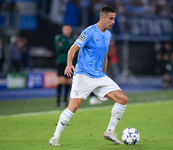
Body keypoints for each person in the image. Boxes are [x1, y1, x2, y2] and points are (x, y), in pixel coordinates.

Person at [49, 7, 127, 146]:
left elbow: (105, 56)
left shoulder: (108, 35)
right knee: (73, 106)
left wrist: (104, 73)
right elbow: (73, 48)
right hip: (83, 75)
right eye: (111, 18)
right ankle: (55, 137)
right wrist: (69, 64)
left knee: (122, 99)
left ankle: (109, 131)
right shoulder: (89, 31)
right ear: (102, 18)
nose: (113, 21)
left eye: (114, 18)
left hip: (99, 76)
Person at [54, 24, 75, 107]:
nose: (67, 31)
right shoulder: (58, 37)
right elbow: (59, 48)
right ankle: (58, 100)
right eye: (65, 29)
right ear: (62, 30)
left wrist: (65, 47)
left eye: (68, 29)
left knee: (68, 81)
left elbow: (73, 50)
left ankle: (65, 100)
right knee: (60, 81)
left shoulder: (72, 39)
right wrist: (68, 49)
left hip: (70, 63)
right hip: (61, 61)